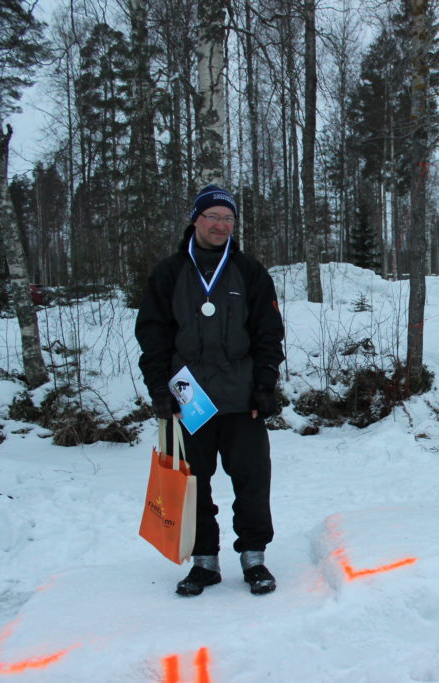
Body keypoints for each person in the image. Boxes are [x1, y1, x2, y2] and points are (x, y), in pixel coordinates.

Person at [135, 184, 285, 595]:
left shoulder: (250, 272)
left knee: (252, 479)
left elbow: (269, 334)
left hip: (241, 398)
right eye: (213, 217)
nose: (220, 225)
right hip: (190, 399)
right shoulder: (168, 274)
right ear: (196, 220)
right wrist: (159, 389)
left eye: (228, 219)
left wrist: (264, 384)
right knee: (193, 482)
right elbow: (153, 337)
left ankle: (254, 556)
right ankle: (204, 561)